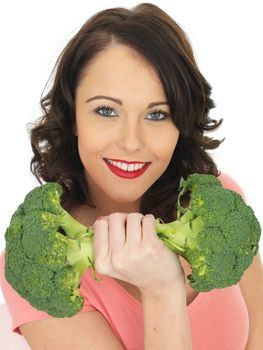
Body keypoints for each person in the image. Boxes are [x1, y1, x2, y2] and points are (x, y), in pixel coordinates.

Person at [0, 3, 262, 349]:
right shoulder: (42, 265)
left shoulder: (214, 202)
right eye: (106, 110)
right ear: (73, 115)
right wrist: (161, 289)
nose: (131, 142)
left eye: (157, 115)